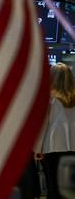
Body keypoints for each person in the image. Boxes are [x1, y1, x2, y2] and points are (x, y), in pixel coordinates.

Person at [36, 63, 75, 199]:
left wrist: (37, 150)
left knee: (53, 188)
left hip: (52, 148)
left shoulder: (48, 100)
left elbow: (42, 127)